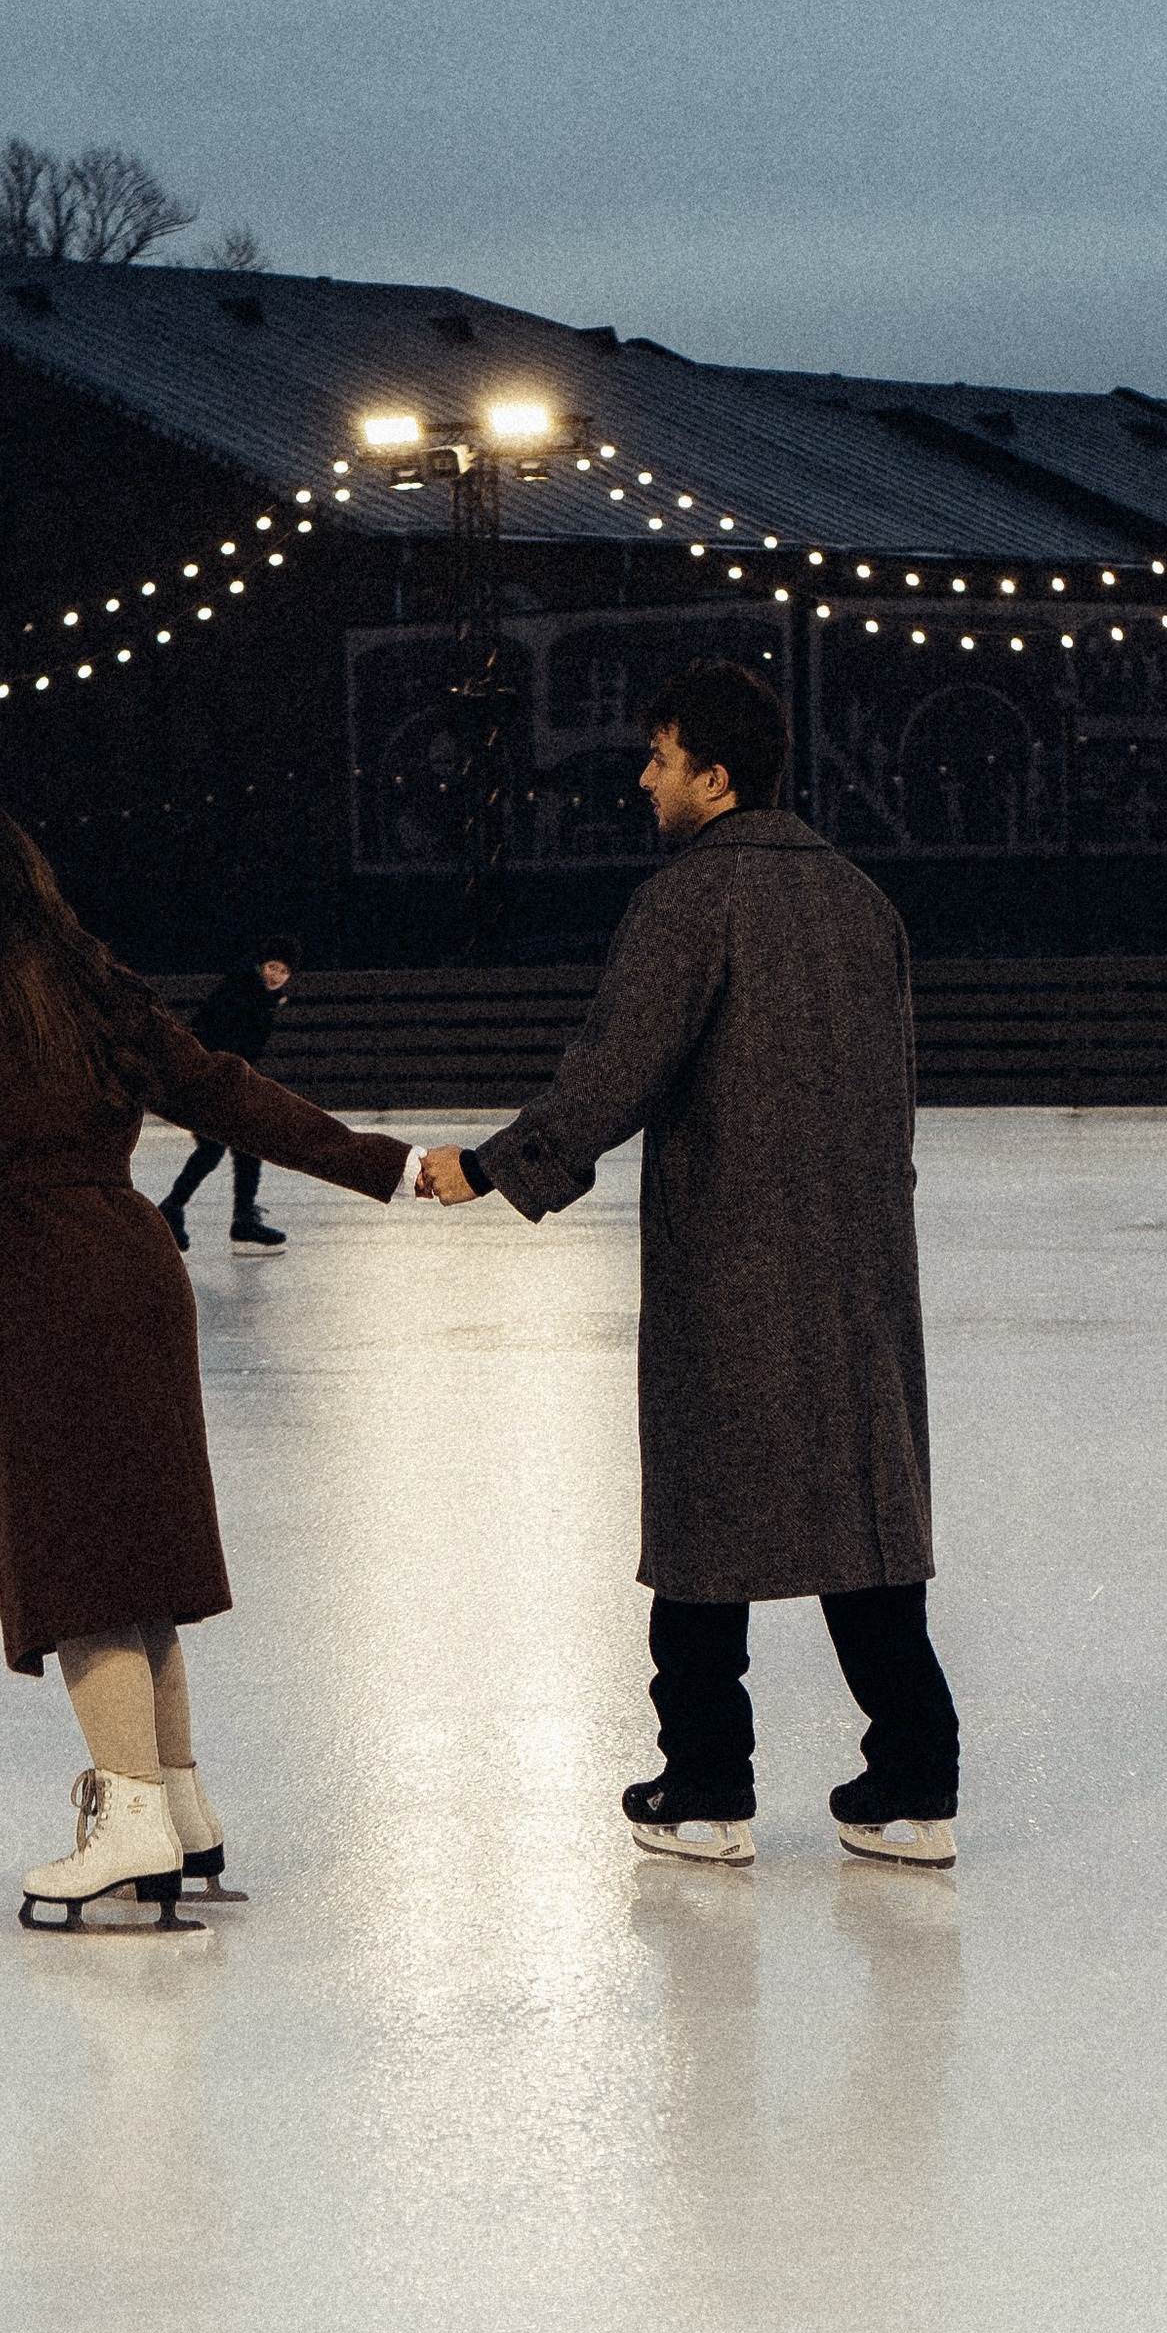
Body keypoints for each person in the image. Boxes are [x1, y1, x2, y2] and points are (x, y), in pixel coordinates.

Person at [0, 806, 410, 1925]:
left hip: (41, 1282)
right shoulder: (91, 979)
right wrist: (383, 1163)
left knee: (80, 1568)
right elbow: (225, 1089)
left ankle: (127, 1816)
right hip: (135, 1269)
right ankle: (177, 1807)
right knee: (144, 1562)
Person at [418, 659, 960, 1871]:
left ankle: (707, 1784)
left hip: (735, 1260)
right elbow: (898, 1099)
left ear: (714, 777)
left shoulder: (689, 900)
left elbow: (617, 1071)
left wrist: (500, 1164)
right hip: (861, 1263)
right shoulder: (862, 902)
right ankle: (915, 1781)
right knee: (863, 1524)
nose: (643, 777)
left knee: (707, 1529)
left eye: (659, 757)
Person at [157, 942, 301, 1252]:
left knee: (236, 1146)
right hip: (207, 1079)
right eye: (273, 967)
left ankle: (194, 1211)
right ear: (260, 965)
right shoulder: (241, 992)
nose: (276, 975)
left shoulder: (260, 995)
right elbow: (219, 1038)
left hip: (218, 1079)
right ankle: (217, 1216)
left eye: (284, 971)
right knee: (226, 1146)